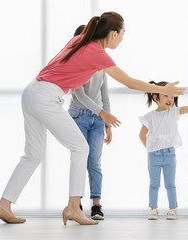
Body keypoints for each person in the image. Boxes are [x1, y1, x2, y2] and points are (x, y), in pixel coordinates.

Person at [0, 11, 185, 226]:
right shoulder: (96, 52)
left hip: (32, 91)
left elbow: (56, 66)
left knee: (33, 154)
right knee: (81, 148)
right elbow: (129, 82)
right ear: (113, 34)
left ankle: (4, 205)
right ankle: (73, 208)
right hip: (45, 97)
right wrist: (161, 88)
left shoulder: (79, 40)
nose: (122, 38)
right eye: (122, 34)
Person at [139, 81, 188, 220]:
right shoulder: (150, 117)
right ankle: (153, 209)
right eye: (166, 96)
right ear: (156, 98)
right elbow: (141, 135)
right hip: (153, 156)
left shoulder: (174, 112)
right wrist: (150, 150)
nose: (170, 100)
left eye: (172, 97)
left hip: (169, 154)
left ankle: (172, 209)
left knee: (170, 183)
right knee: (154, 183)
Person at [68, 25, 110, 220]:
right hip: (79, 116)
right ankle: (76, 205)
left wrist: (108, 122)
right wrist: (101, 112)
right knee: (79, 160)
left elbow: (105, 94)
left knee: (95, 162)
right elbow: (79, 94)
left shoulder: (100, 64)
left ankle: (96, 205)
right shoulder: (75, 63)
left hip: (98, 119)